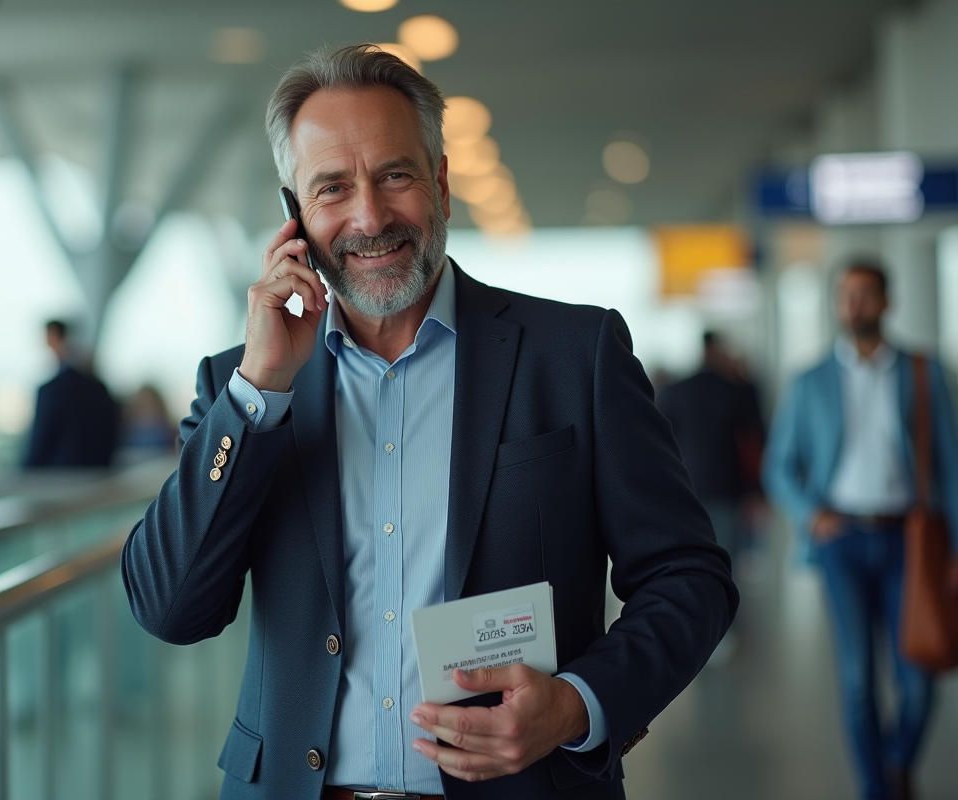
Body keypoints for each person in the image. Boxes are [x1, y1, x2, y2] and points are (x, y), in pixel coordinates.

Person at [121, 45, 737, 800]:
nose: (370, 216)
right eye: (333, 188)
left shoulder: (574, 356)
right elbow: (171, 608)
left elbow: (688, 577)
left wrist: (576, 705)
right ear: (295, 215)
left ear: (441, 183)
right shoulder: (241, 385)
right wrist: (260, 390)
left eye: (395, 175)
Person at [764, 260, 958, 800]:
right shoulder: (809, 381)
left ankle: (897, 763)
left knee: (919, 678)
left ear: (887, 301)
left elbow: (950, 463)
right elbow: (779, 466)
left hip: (910, 541)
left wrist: (956, 550)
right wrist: (810, 513)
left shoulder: (922, 371)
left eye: (865, 294)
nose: (854, 305)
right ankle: (878, 789)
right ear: (835, 303)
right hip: (842, 543)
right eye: (844, 294)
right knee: (857, 681)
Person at [657, 331, 766, 569]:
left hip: (685, 488)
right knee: (724, 562)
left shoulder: (673, 392)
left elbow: (658, 444)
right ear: (718, 349)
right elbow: (755, 442)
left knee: (689, 561)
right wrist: (758, 492)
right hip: (728, 490)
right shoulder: (739, 390)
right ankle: (723, 605)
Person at [22, 320, 119, 469]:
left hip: (60, 480)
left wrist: (23, 472)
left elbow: (40, 441)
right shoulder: (99, 388)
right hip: (98, 476)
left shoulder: (52, 390)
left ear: (52, 337)